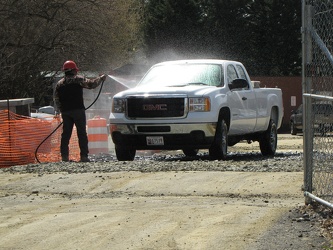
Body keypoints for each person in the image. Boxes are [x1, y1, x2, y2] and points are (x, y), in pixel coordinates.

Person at [54, 60, 106, 162]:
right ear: (74, 70)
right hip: (78, 111)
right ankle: (84, 157)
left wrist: (62, 110)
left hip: (66, 112)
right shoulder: (78, 80)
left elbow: (56, 99)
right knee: (81, 134)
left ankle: (64, 157)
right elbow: (91, 84)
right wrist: (101, 78)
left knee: (65, 135)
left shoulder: (60, 84)